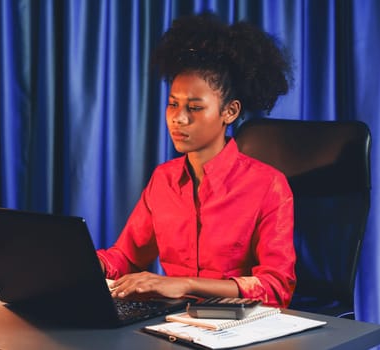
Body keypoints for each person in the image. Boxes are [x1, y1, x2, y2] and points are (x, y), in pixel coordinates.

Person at [97, 13, 296, 308]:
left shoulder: (269, 186)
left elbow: (276, 287)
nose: (179, 118)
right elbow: (126, 256)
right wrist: (79, 265)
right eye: (173, 104)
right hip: (172, 322)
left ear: (229, 111)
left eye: (194, 107)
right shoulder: (163, 179)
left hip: (238, 328)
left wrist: (186, 284)